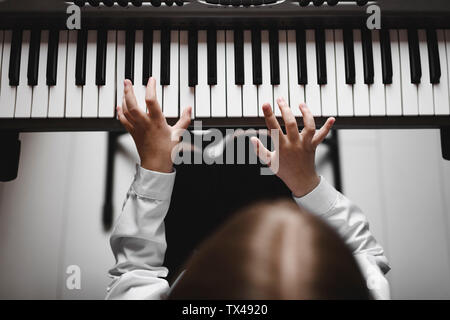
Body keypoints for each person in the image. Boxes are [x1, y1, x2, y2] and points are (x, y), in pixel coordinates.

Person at [105, 78, 391, 300]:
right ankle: (215, 146)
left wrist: (155, 166)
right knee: (247, 150)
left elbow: (136, 275)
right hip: (272, 191)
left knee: (195, 159)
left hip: (187, 237)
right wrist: (306, 183)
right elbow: (362, 253)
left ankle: (195, 149)